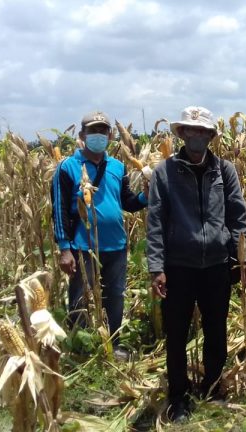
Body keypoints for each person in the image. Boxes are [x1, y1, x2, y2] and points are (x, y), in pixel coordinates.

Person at [146, 106, 246, 422]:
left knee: (216, 330)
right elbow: (156, 221)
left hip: (216, 264)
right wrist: (156, 266)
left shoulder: (225, 170)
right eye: (191, 130)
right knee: (176, 333)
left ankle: (212, 386)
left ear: (210, 136)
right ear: (182, 133)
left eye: (203, 131)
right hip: (179, 265)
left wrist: (241, 261)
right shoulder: (165, 172)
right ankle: (178, 397)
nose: (197, 135)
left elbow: (238, 216)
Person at [51, 111, 148, 360]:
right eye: (93, 131)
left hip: (115, 245)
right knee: (80, 298)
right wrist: (64, 248)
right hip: (83, 246)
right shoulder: (67, 167)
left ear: (111, 135)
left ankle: (112, 344)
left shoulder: (117, 166)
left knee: (115, 296)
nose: (98, 135)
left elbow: (127, 202)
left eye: (102, 131)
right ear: (82, 135)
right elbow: (60, 210)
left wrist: (147, 195)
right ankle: (80, 348)